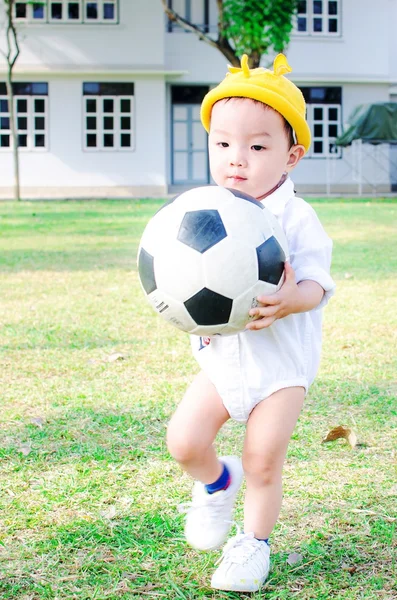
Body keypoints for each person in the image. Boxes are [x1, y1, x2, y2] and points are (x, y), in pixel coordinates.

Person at [166, 53, 336, 593]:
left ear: (292, 155)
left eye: (257, 146)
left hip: (280, 368)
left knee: (262, 458)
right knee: (184, 442)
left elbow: (318, 285)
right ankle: (217, 483)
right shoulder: (202, 209)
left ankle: (252, 545)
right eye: (223, 144)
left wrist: (290, 299)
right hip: (221, 363)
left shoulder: (294, 217)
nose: (237, 159)